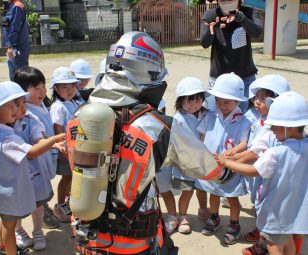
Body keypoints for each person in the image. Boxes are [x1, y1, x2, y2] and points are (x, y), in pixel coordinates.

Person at [68, 31, 234, 255]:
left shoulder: (80, 116)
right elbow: (203, 164)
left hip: (88, 233)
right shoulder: (158, 125)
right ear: (149, 73)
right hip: (133, 238)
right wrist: (224, 173)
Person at [0, 82, 65, 255]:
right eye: (9, 107)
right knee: (9, 227)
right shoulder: (6, 138)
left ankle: (1, 248)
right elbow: (31, 152)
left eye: (14, 104)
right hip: (8, 189)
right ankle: (10, 251)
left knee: (4, 220)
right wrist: (56, 138)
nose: (15, 110)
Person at [217, 91, 308, 255]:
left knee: (274, 245)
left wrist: (226, 162)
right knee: (287, 239)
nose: (272, 129)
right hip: (294, 208)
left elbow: (253, 171)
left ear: (290, 127)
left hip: (277, 209)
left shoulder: (276, 153)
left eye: (275, 125)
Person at [3, 81, 65, 250]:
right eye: (17, 104)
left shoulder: (31, 121)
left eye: (24, 103)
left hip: (34, 173)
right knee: (17, 207)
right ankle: (18, 230)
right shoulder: (1, 128)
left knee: (37, 204)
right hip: (14, 176)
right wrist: (53, 142)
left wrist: (51, 144)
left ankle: (38, 231)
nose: (23, 108)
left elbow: (39, 139)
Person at [196, 72, 251, 245]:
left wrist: (234, 150)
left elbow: (244, 142)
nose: (222, 105)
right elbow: (202, 136)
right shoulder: (211, 115)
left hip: (231, 166)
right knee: (213, 192)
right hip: (212, 164)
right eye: (218, 101)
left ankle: (234, 224)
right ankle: (214, 217)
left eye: (226, 102)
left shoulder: (244, 121)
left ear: (237, 101)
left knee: (232, 195)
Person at [157, 77, 210, 235]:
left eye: (198, 99)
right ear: (180, 101)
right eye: (189, 100)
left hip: (203, 162)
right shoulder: (178, 120)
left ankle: (203, 209)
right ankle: (182, 217)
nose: (194, 104)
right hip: (185, 164)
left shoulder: (207, 114)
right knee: (187, 191)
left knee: (202, 188)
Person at [13, 66, 61, 229]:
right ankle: (41, 214)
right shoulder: (25, 113)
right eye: (36, 88)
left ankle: (42, 209)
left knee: (44, 183)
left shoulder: (41, 105)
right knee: (37, 188)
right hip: (36, 157)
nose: (41, 92)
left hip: (46, 152)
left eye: (42, 86)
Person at [201, 0, 262, 112]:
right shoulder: (211, 15)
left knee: (245, 117)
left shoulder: (249, 12)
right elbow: (204, 43)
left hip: (245, 78)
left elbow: (257, 33)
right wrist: (212, 30)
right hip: (218, 79)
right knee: (215, 116)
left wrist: (241, 18)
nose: (226, 1)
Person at [49, 66, 84, 222]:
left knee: (74, 178)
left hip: (78, 148)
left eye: (72, 86)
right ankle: (60, 205)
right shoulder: (58, 107)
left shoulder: (75, 101)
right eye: (64, 86)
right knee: (66, 178)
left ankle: (69, 203)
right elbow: (57, 130)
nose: (70, 90)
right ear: (56, 89)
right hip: (67, 150)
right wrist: (63, 150)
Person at [2, 0, 30, 81]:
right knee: (14, 74)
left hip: (18, 46)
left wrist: (10, 46)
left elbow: (14, 28)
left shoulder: (17, 6)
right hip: (15, 46)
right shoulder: (11, 6)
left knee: (20, 75)